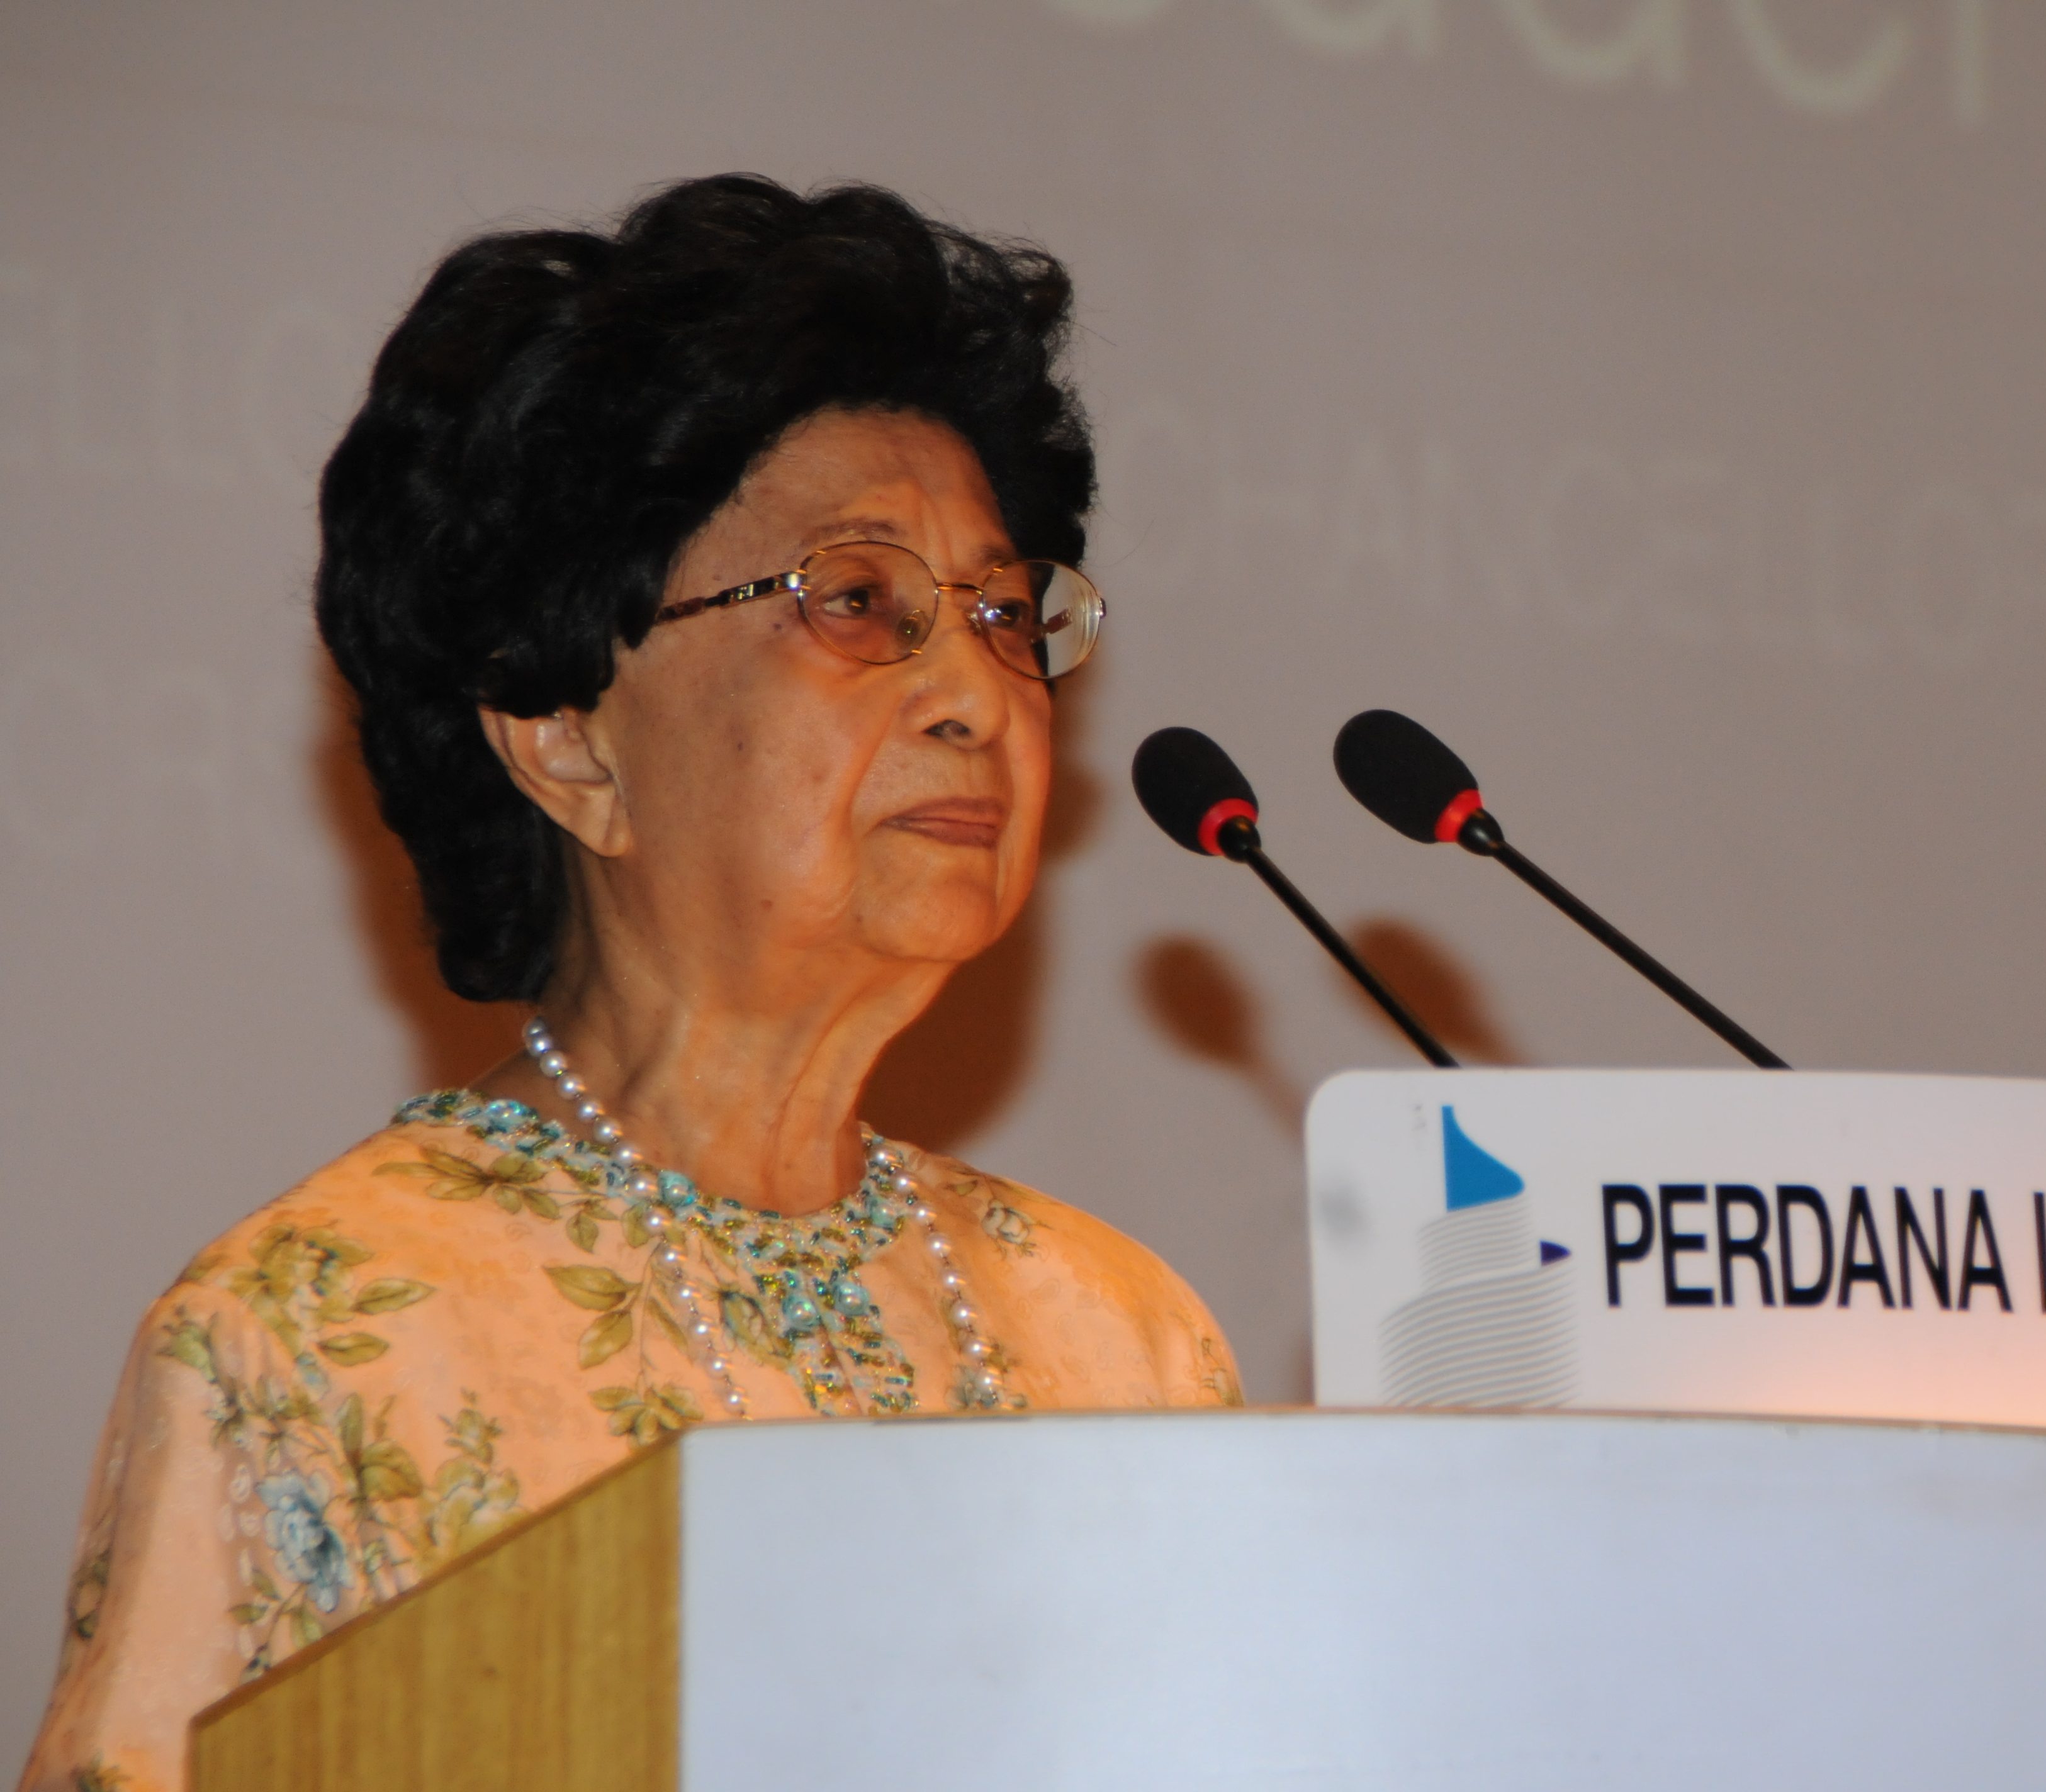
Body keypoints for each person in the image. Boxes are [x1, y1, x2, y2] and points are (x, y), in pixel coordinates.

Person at [20, 174, 1240, 1792]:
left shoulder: (1123, 1336)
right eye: (858, 601)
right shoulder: (316, 1339)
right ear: (569, 741)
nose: (977, 691)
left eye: (1005, 611)